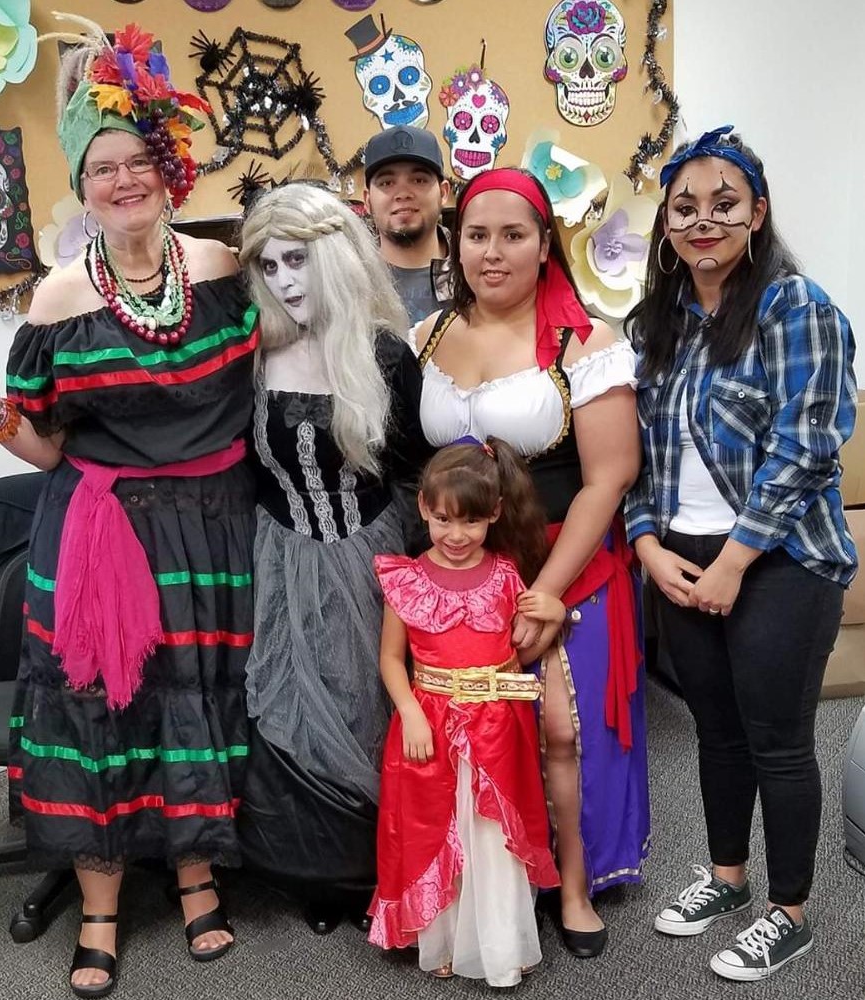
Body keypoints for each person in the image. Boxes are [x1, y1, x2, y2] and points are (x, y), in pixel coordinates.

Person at [0, 23, 258, 999]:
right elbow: (48, 444)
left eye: (138, 161)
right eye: (103, 167)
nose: (123, 180)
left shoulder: (224, 272)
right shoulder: (56, 300)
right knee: (96, 711)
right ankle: (99, 908)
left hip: (212, 533)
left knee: (198, 698)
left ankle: (194, 874)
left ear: (168, 170)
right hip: (101, 535)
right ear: (83, 185)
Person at [624, 125, 858, 981]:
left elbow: (808, 447)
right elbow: (636, 454)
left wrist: (734, 562)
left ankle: (789, 913)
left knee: (778, 742)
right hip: (679, 556)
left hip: (780, 560)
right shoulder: (657, 323)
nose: (703, 220)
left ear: (757, 213)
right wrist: (646, 544)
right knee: (716, 734)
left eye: (724, 204)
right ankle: (727, 879)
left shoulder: (797, 308)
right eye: (684, 206)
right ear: (666, 223)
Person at [413, 167, 649, 958]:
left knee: (559, 733)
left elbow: (608, 478)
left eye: (513, 235)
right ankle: (496, 884)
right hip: (463, 574)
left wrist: (545, 593)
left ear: (545, 244)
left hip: (561, 566)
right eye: (477, 235)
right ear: (456, 244)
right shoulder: (427, 337)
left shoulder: (586, 342)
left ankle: (574, 887)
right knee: (474, 734)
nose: (493, 252)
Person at [235, 182, 433, 934]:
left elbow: (414, 469)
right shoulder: (254, 358)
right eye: (269, 265)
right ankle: (320, 871)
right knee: (293, 709)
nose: (284, 281)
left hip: (369, 555)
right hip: (281, 558)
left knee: (368, 703)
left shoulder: (384, 353)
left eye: (297, 260)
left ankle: (376, 865)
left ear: (336, 257)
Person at [367, 438, 562, 986]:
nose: (457, 535)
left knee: (491, 834)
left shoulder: (507, 576)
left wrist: (556, 613)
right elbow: (390, 658)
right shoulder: (406, 580)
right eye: (444, 520)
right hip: (428, 724)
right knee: (434, 828)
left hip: (497, 729)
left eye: (472, 522)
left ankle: (498, 942)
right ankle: (446, 937)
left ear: (494, 514)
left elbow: (523, 647)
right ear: (424, 507)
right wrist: (410, 712)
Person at [363, 126, 452, 326]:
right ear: (368, 200)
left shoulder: (473, 271)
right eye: (387, 183)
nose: (403, 193)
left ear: (443, 193)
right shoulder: (347, 278)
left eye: (419, 180)